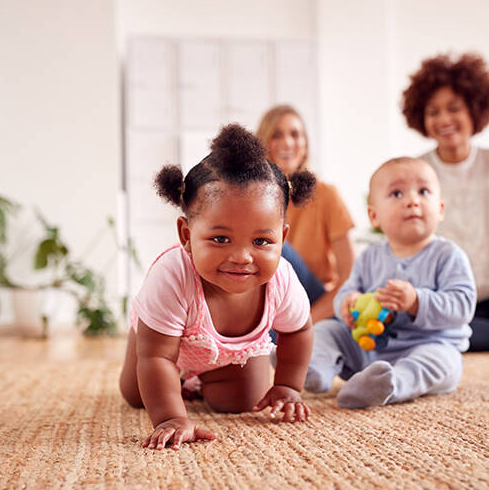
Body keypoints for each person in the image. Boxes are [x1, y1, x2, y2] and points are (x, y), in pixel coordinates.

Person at [120, 124, 316, 449]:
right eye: (220, 239)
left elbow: (298, 331)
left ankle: (203, 379)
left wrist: (287, 385)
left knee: (241, 400)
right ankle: (175, 383)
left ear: (282, 238)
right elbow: (156, 357)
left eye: (261, 240)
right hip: (161, 345)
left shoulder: (282, 277)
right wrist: (171, 417)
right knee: (138, 395)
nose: (241, 257)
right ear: (186, 235)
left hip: (229, 356)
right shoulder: (172, 276)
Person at [302, 157, 476, 409]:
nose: (412, 200)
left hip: (427, 345)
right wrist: (347, 305)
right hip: (368, 348)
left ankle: (390, 384)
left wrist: (416, 301)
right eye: (396, 193)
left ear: (440, 209)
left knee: (442, 361)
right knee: (327, 330)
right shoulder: (370, 257)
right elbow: (349, 289)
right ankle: (316, 369)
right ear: (374, 216)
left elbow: (462, 306)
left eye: (423, 191)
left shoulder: (448, 255)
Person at [401, 53, 489, 351]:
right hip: (442, 299)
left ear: (474, 110)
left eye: (454, 108)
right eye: (433, 111)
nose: (444, 120)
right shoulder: (414, 172)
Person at [257, 105, 355, 323]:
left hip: (315, 302)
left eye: (295, 134)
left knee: (277, 247)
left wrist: (306, 321)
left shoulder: (326, 195)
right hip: (271, 304)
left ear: (305, 144)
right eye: (276, 135)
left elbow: (350, 276)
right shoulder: (253, 199)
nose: (288, 143)